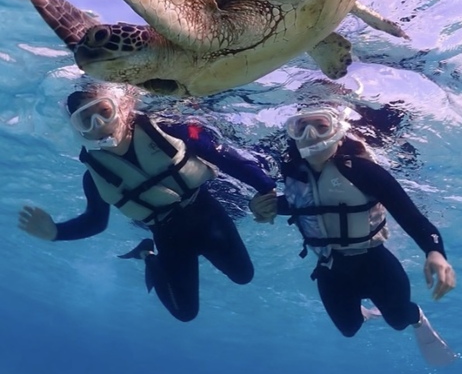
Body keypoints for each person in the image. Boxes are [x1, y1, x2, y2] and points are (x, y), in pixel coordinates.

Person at [18, 84, 276, 322]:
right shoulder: (95, 176)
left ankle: (147, 253)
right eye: (86, 120)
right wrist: (56, 232)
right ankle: (147, 255)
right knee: (185, 313)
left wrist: (266, 187)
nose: (99, 124)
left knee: (244, 276)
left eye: (105, 112)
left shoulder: (167, 130)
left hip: (207, 214)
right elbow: (96, 221)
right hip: (167, 236)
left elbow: (222, 155)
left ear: (121, 108)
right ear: (78, 128)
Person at [250, 103, 458, 367]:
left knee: (397, 320)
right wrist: (262, 206)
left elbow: (410, 216)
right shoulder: (293, 173)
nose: (311, 135)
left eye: (321, 126)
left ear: (338, 132)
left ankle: (417, 317)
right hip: (330, 268)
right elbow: (303, 205)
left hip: (375, 263)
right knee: (348, 329)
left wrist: (435, 252)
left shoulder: (363, 171)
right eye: (301, 128)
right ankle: (365, 311)